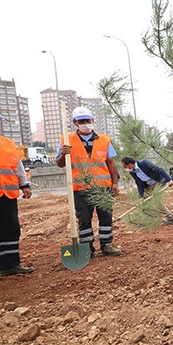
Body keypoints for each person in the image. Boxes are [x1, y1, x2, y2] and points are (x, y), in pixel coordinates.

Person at [56, 107, 122, 257]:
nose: (85, 124)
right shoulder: (66, 140)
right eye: (81, 121)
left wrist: (115, 182)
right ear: (75, 122)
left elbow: (111, 162)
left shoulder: (104, 140)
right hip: (80, 188)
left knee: (106, 216)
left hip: (102, 187)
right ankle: (87, 248)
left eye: (87, 120)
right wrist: (63, 154)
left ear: (92, 120)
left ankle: (107, 245)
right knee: (84, 219)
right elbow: (60, 164)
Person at [0, 105, 34, 283]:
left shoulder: (8, 143)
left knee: (10, 229)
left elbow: (17, 166)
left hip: (7, 194)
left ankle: (9, 264)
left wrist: (24, 184)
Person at [121, 156, 173, 225]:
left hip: (158, 182)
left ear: (129, 164)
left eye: (125, 167)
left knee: (155, 201)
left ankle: (170, 218)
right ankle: (152, 220)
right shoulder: (132, 172)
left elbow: (159, 170)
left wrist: (169, 180)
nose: (125, 169)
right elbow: (139, 184)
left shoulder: (144, 163)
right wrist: (141, 197)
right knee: (146, 202)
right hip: (149, 186)